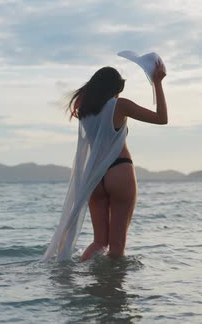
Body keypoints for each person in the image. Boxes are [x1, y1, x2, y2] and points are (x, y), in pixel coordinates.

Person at [67, 62, 167, 261]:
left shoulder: (84, 109)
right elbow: (161, 118)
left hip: (94, 177)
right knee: (117, 248)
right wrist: (157, 83)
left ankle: (88, 281)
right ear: (116, 89)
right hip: (118, 170)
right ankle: (113, 290)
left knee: (99, 242)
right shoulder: (120, 105)